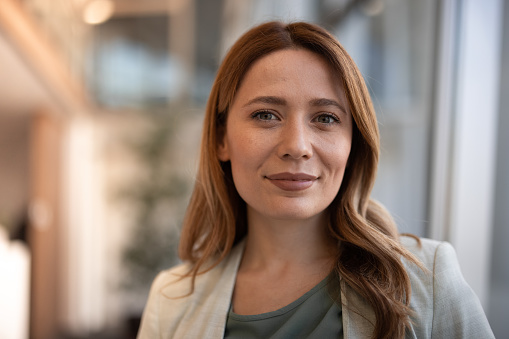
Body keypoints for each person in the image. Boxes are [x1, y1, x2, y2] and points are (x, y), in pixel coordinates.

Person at [136, 21, 494, 339]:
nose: (297, 146)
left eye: (325, 118)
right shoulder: (172, 299)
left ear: (354, 143)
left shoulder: (428, 279)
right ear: (221, 139)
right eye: (265, 115)